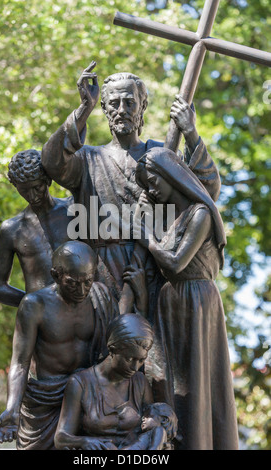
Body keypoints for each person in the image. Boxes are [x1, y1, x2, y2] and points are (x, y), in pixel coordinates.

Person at [41, 62, 221, 318]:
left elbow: (206, 192)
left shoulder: (163, 155)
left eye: (130, 102)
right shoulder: (87, 158)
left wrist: (191, 133)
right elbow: (51, 163)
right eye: (113, 103)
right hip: (101, 272)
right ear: (103, 108)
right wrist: (84, 109)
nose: (122, 110)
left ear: (143, 106)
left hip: (155, 265)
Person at [134, 146, 239, 450]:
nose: (151, 189)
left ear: (170, 175)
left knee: (196, 381)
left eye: (153, 180)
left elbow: (176, 263)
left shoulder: (201, 213)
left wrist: (148, 238)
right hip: (170, 305)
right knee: (167, 381)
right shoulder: (171, 218)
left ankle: (199, 440)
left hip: (196, 301)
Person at [0, 241, 121, 450]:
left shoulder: (101, 296)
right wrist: (12, 408)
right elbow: (20, 362)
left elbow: (118, 348)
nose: (82, 289)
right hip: (46, 400)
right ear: (56, 275)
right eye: (72, 283)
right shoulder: (35, 305)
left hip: (88, 399)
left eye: (88, 281)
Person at [54, 314, 177, 450]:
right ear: (112, 350)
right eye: (129, 359)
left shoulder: (140, 382)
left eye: (141, 360)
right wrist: (84, 442)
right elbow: (61, 438)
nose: (135, 368)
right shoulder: (80, 383)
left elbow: (152, 428)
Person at [0, 149, 73, 307]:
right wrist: (36, 306)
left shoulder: (73, 210)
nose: (32, 196)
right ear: (16, 187)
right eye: (24, 190)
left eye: (37, 188)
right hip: (41, 321)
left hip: (83, 314)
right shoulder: (12, 229)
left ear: (47, 180)